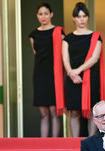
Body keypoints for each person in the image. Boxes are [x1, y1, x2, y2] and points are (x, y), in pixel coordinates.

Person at [63, 2, 105, 137]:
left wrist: (78, 70)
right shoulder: (67, 38)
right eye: (78, 16)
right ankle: (75, 142)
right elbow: (65, 59)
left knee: (92, 112)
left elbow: (94, 58)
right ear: (74, 18)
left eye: (84, 16)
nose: (81, 19)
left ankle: (91, 141)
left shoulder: (95, 36)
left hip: (90, 78)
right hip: (73, 79)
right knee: (74, 112)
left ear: (88, 17)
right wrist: (72, 73)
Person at [29, 2, 64, 137]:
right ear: (37, 16)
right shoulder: (33, 35)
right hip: (39, 75)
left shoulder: (59, 32)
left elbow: (63, 55)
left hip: (54, 75)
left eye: (46, 13)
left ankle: (55, 144)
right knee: (43, 113)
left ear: (51, 15)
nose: (43, 16)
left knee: (54, 112)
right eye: (40, 14)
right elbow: (36, 53)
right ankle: (43, 144)